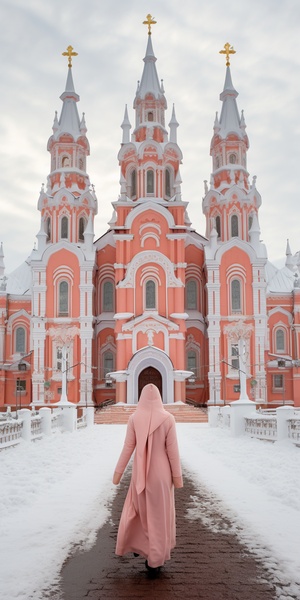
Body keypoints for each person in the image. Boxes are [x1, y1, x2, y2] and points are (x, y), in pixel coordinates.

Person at [112, 383, 183, 574]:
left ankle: (139, 545)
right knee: (159, 518)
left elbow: (128, 447)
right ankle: (155, 562)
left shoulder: (134, 418)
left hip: (140, 475)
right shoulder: (168, 419)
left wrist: (118, 473)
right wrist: (177, 478)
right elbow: (173, 452)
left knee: (138, 512)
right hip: (161, 475)